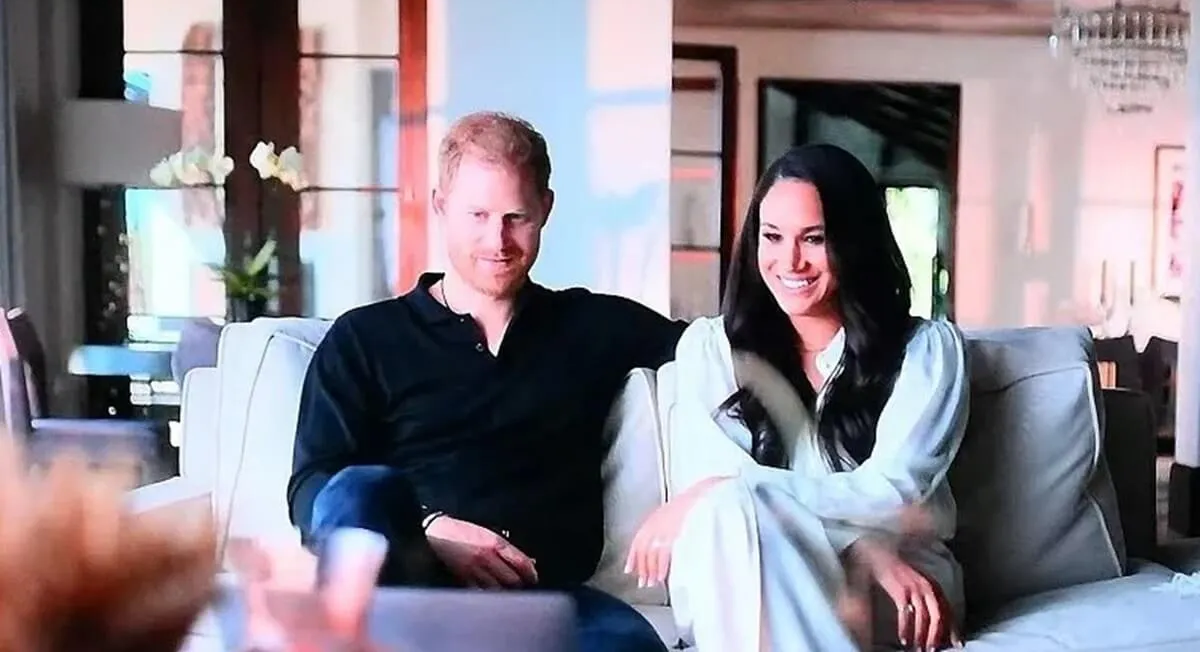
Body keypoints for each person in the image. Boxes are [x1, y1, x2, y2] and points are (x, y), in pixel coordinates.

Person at [286, 111, 684, 652]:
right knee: (358, 489)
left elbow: (723, 348)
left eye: (516, 217)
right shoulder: (365, 338)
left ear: (545, 209)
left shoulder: (593, 325)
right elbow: (312, 489)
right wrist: (432, 528)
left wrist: (707, 488)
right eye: (477, 215)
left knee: (629, 645)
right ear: (440, 206)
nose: (497, 240)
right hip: (408, 590)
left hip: (543, 601)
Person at [625, 144, 969, 651]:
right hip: (750, 566)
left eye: (814, 238)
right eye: (772, 236)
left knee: (731, 505)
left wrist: (735, 484)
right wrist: (860, 542)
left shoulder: (928, 351)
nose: (789, 261)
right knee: (729, 519)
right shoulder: (710, 348)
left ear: (854, 242)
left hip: (893, 583)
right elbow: (724, 510)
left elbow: (895, 493)